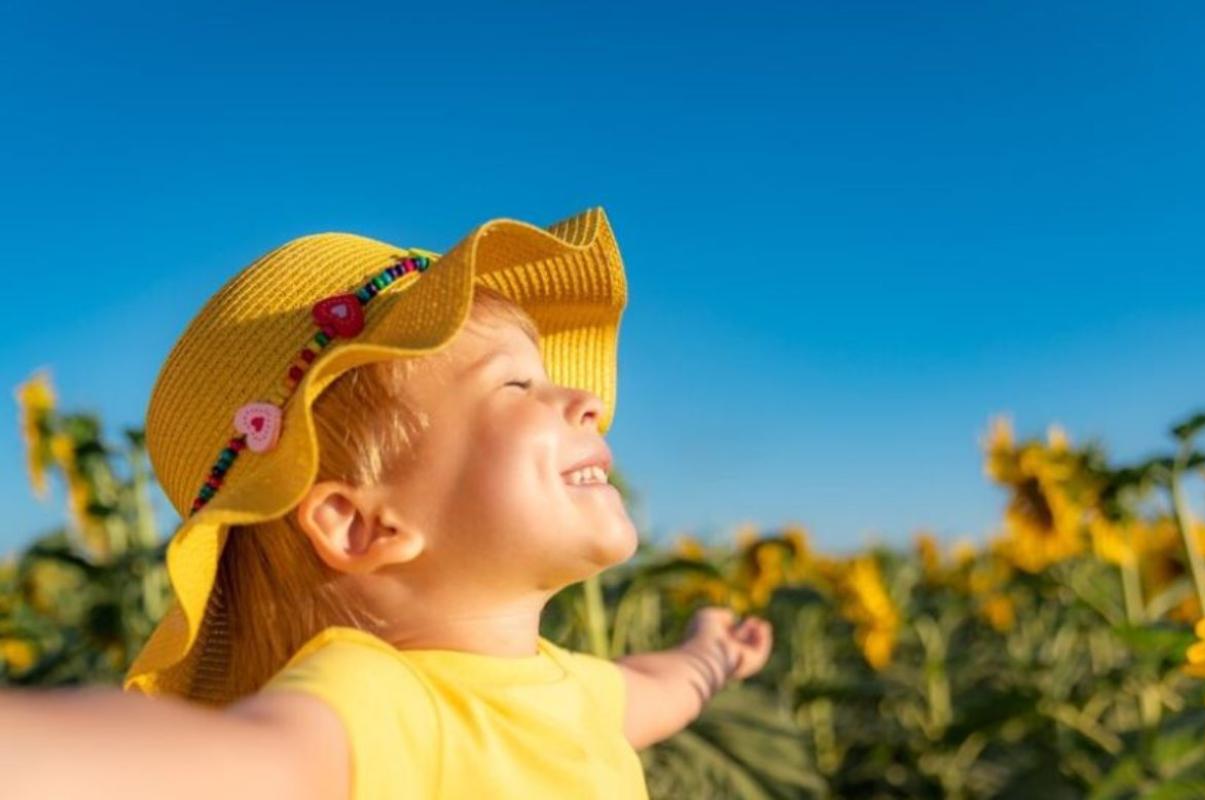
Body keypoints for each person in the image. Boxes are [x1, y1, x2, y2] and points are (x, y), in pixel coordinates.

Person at [1, 206, 774, 799]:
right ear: (361, 522)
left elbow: (660, 688)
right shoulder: (384, 704)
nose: (586, 403)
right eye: (515, 384)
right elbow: (205, 768)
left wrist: (713, 651)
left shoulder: (563, 686)